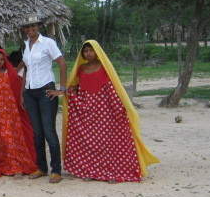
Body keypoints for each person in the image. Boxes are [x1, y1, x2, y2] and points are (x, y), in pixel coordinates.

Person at [62, 40, 159, 182]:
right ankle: (90, 170)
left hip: (105, 109)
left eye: (91, 50)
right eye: (85, 51)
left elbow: (112, 87)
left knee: (109, 141)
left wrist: (119, 108)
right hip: (87, 110)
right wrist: (69, 92)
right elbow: (77, 87)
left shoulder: (104, 67)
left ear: (97, 51)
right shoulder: (81, 69)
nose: (88, 53)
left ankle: (113, 172)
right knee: (90, 141)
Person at [21, 16, 67, 184]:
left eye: (33, 25)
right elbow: (26, 69)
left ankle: (56, 170)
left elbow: (62, 63)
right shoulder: (25, 45)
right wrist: (22, 93)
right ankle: (41, 168)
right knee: (37, 133)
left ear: (38, 26)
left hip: (46, 91)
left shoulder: (48, 43)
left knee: (49, 131)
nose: (31, 29)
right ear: (25, 29)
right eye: (28, 26)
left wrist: (61, 89)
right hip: (30, 92)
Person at [0, 48, 37, 176]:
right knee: (0, 138)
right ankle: (4, 164)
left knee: (12, 137)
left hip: (10, 112)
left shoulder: (9, 73)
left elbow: (20, 86)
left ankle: (16, 164)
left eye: (2, 59)